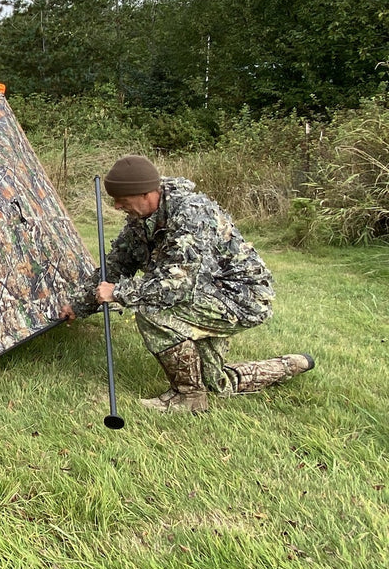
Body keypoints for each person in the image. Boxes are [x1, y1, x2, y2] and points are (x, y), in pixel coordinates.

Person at [61, 155, 315, 414]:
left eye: (122, 200)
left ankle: (189, 397)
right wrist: (79, 305)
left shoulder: (191, 213)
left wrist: (119, 293)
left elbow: (176, 285)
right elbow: (115, 266)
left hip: (240, 298)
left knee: (151, 310)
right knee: (217, 384)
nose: (116, 206)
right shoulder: (141, 220)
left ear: (146, 194)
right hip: (207, 292)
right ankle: (292, 364)